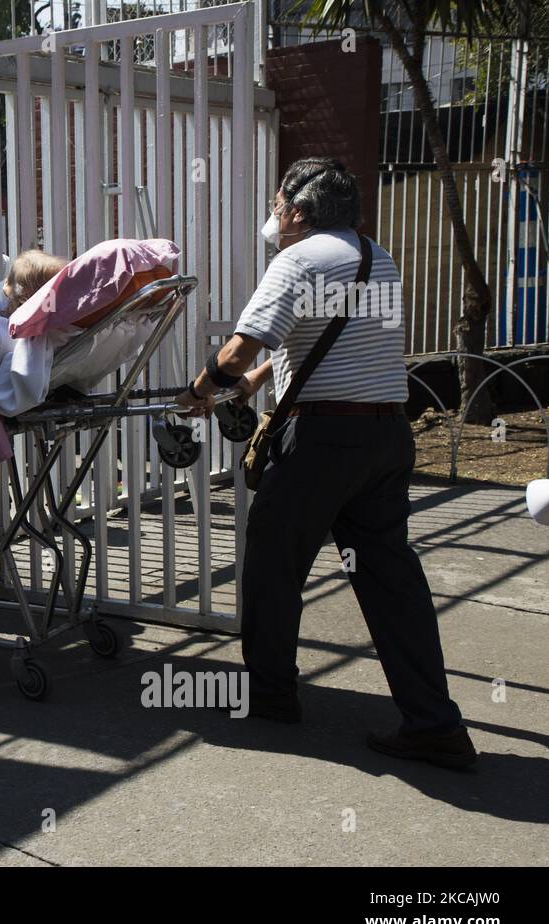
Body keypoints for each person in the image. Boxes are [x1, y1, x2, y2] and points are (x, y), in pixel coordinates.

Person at [174, 157, 475, 769]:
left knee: (272, 565)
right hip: (387, 436)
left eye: (277, 205)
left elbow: (239, 345)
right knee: (392, 581)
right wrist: (264, 379)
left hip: (321, 443)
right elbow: (342, 336)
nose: (273, 218)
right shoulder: (375, 255)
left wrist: (202, 387)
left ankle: (271, 695)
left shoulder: (299, 258)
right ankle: (434, 721)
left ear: (298, 211)